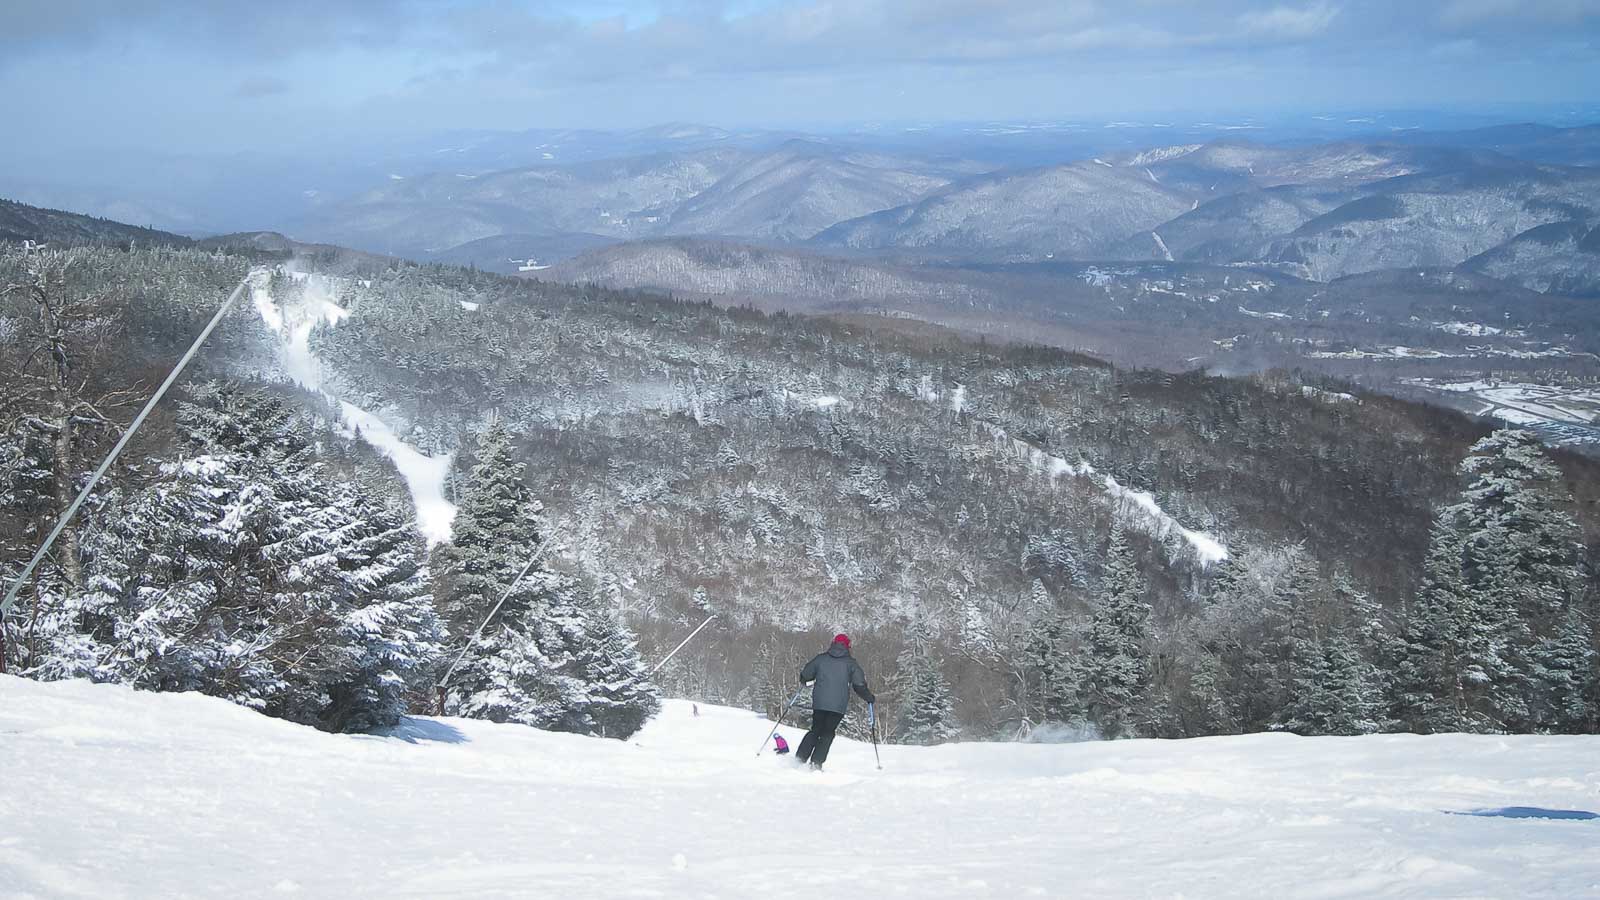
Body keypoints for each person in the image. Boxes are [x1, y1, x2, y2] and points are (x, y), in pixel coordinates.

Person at [796, 633, 875, 770]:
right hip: (838, 706)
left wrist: (805, 680)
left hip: (819, 702)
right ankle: (816, 763)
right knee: (827, 733)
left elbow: (805, 675)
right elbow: (859, 686)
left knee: (815, 729)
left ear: (833, 643)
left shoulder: (821, 659)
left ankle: (800, 758)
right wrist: (869, 698)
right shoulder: (851, 664)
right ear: (848, 646)